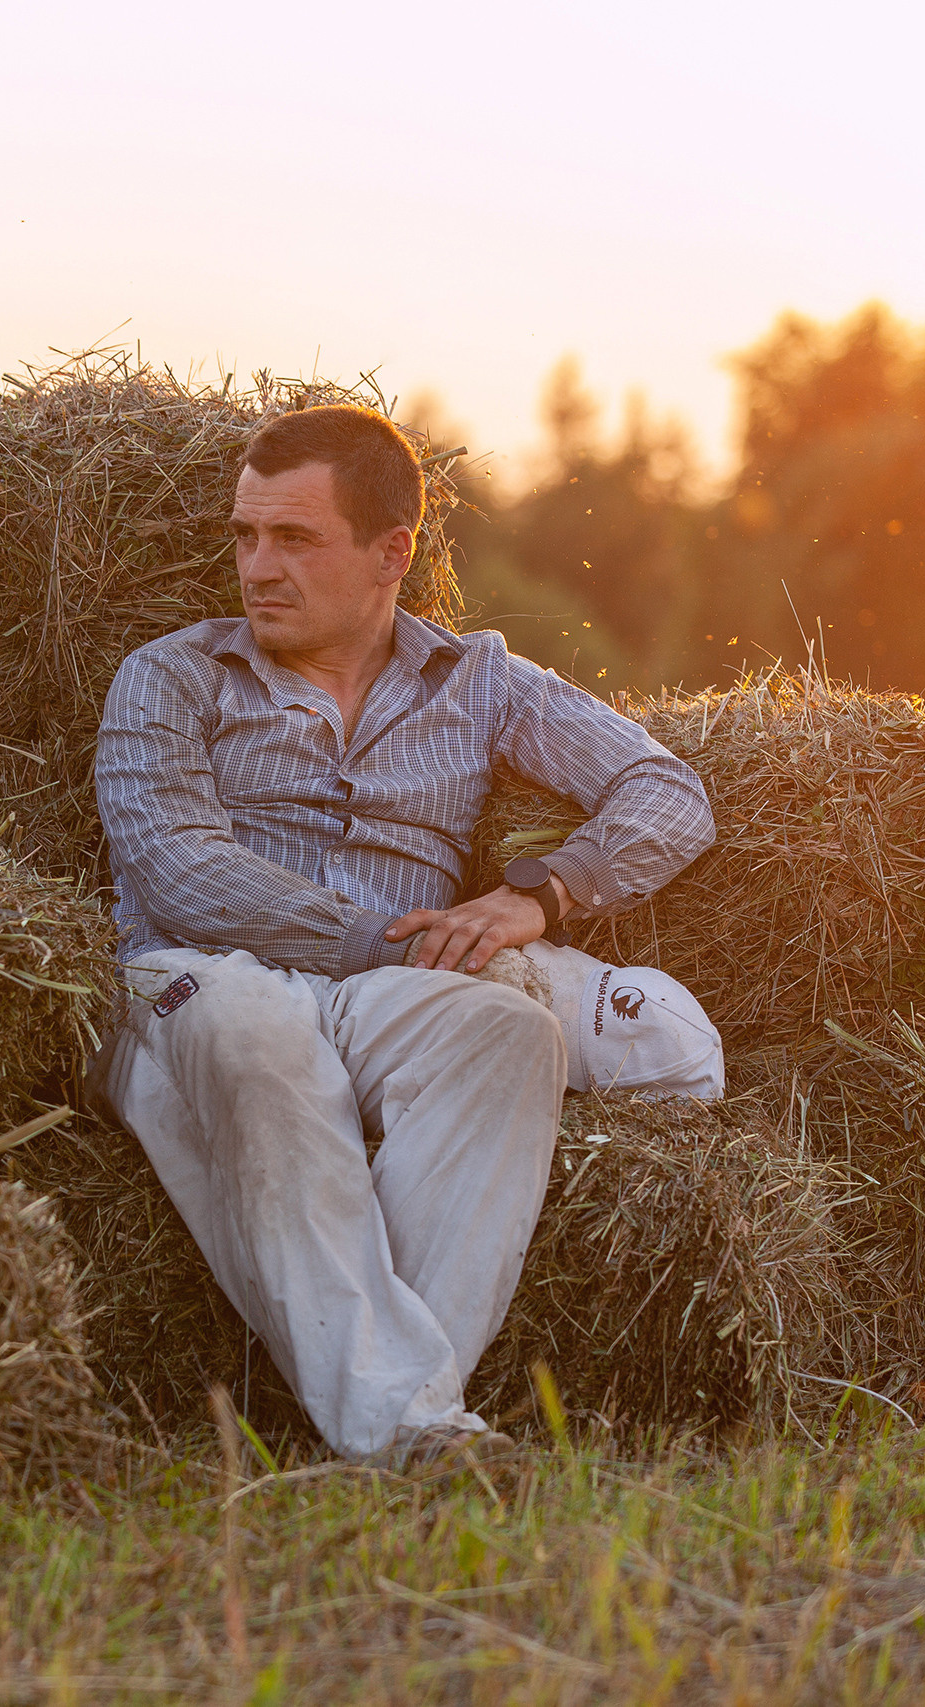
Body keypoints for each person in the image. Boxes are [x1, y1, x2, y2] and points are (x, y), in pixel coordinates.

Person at [90, 404, 715, 1467]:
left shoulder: (478, 681)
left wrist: (543, 897)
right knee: (253, 1040)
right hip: (202, 973)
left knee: (509, 1033)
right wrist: (387, 938)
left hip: (392, 987)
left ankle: (391, 1420)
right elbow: (181, 871)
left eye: (293, 539)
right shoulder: (173, 676)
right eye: (245, 536)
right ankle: (412, 1431)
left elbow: (667, 791)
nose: (257, 567)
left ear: (392, 554)